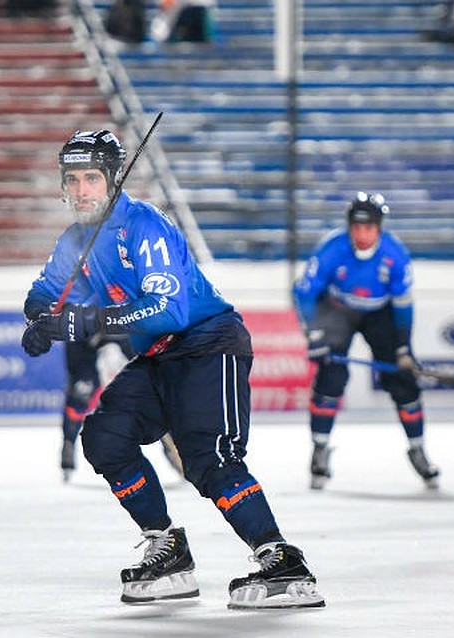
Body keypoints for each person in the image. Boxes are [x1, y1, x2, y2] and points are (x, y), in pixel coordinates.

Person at [21, 129, 323, 608]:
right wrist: (43, 320)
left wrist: (89, 319)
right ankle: (169, 550)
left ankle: (281, 559)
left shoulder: (143, 227)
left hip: (207, 344)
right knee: (104, 436)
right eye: (73, 179)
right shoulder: (75, 240)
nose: (81, 190)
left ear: (114, 180)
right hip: (159, 356)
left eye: (92, 179)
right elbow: (43, 291)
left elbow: (170, 310)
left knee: (209, 459)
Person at [292, 192, 440, 490]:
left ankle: (418, 448)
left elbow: (403, 305)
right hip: (337, 310)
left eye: (369, 227)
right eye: (356, 227)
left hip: (379, 312)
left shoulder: (395, 254)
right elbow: (304, 293)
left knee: (403, 380)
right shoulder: (331, 249)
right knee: (331, 377)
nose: (362, 234)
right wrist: (315, 334)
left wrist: (402, 347)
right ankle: (320, 450)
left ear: (379, 228)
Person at [55, 338, 184, 483]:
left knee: (148, 390)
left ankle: (176, 448)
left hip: (117, 330)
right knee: (82, 390)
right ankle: (68, 444)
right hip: (95, 331)